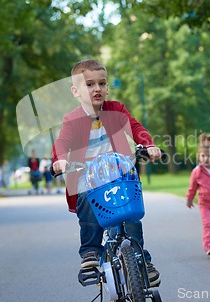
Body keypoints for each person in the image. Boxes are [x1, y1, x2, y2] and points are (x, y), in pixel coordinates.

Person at [51, 59, 162, 287]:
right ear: (76, 91)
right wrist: (60, 161)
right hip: (87, 179)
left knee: (130, 220)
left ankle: (141, 259)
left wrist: (148, 145)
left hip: (118, 175)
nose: (97, 89)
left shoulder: (117, 109)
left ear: (107, 87)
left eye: (102, 83)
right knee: (85, 199)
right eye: (89, 84)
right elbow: (61, 143)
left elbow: (135, 127)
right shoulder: (72, 120)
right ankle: (90, 252)